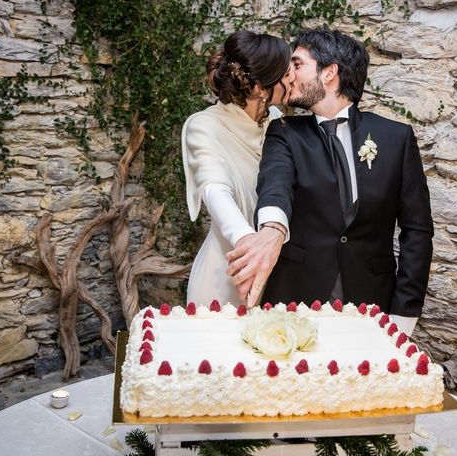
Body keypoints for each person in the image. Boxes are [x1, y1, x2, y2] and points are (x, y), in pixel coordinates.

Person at [226, 28, 433, 336]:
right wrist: (272, 229)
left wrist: (403, 315)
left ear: (329, 73)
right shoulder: (284, 133)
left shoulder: (396, 138)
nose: (288, 75)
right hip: (294, 303)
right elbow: (275, 187)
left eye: (297, 65)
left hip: (372, 306)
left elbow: (417, 231)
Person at [182, 30, 292, 306]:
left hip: (276, 277)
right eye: (285, 72)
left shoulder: (277, 121)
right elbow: (215, 190)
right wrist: (252, 249)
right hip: (225, 274)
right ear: (259, 89)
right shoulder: (204, 126)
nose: (292, 78)